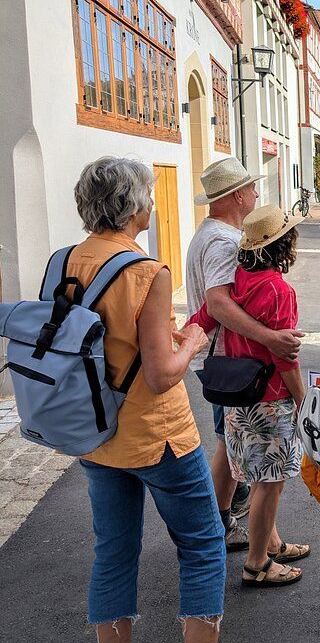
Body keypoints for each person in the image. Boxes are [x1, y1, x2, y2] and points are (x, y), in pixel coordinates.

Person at [70, 157, 223, 643]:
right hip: (158, 435)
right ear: (132, 206)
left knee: (113, 554)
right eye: (149, 197)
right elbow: (160, 376)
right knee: (202, 546)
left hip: (95, 429)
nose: (154, 205)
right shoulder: (145, 272)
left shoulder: (66, 261)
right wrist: (192, 341)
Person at [187, 157, 303, 553]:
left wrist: (187, 333)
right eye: (251, 188)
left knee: (236, 449)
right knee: (244, 456)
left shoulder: (212, 234)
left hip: (230, 361)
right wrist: (271, 338)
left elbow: (211, 307)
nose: (255, 193)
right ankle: (225, 530)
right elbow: (219, 304)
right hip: (239, 367)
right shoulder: (224, 242)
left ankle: (262, 539)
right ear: (237, 195)